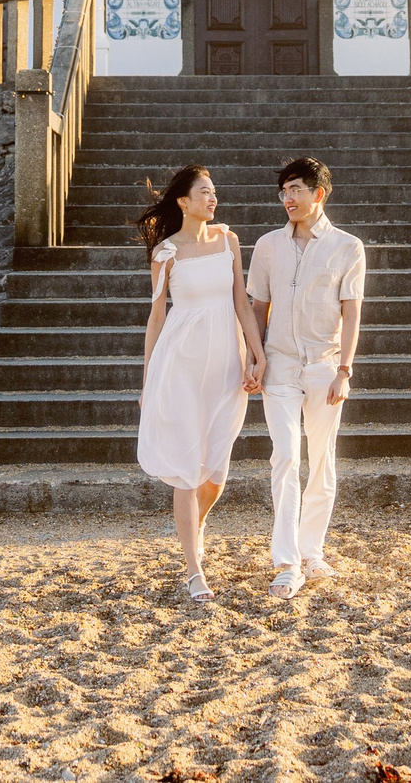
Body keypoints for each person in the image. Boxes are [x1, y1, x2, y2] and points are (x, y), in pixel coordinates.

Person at [133, 164, 266, 601]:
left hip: (226, 363)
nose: (213, 198)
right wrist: (148, 378)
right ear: (182, 201)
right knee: (187, 475)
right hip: (180, 365)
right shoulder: (166, 253)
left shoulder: (228, 240)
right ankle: (194, 570)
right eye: (204, 193)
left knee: (216, 474)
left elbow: (242, 304)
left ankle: (195, 524)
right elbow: (156, 319)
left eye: (214, 192)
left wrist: (256, 353)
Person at [247, 155, 366, 599]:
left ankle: (312, 549)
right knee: (285, 457)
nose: (288, 199)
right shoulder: (267, 246)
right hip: (277, 365)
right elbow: (257, 307)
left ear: (318, 193)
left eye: (296, 189)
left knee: (322, 460)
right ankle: (287, 561)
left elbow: (351, 312)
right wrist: (253, 358)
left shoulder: (347, 247)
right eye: (284, 191)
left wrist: (344, 370)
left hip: (323, 366)